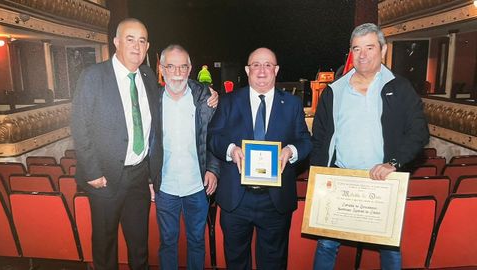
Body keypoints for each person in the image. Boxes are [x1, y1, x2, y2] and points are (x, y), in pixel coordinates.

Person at [310, 23, 429, 270]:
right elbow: (320, 137)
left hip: (382, 183)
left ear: (383, 50)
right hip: (340, 181)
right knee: (326, 245)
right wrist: (320, 176)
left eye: (369, 47)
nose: (362, 54)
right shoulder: (334, 91)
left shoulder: (401, 87)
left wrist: (393, 163)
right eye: (357, 48)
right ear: (351, 52)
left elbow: (419, 132)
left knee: (389, 249)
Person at [208, 47, 312, 269]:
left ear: (276, 70)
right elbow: (213, 138)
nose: (262, 71)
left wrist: (291, 151)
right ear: (247, 70)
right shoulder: (228, 101)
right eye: (256, 65)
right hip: (237, 199)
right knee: (236, 261)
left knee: (273, 263)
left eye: (268, 65)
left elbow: (306, 141)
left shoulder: (292, 104)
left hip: (275, 200)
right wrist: (231, 150)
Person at [71, 18, 158, 269]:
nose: (137, 46)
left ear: (148, 46)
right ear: (117, 42)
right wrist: (93, 172)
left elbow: (155, 126)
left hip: (139, 178)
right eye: (130, 39)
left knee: (140, 246)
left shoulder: (148, 76)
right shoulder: (93, 76)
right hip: (105, 179)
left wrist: (208, 94)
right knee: (105, 246)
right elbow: (80, 126)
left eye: (142, 41)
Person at [152, 44, 220, 270]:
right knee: (168, 242)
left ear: (190, 68)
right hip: (165, 188)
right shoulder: (151, 101)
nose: (178, 73)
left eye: (183, 67)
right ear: (162, 69)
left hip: (197, 187)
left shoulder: (204, 99)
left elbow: (214, 138)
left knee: (197, 242)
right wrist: (148, 179)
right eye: (171, 67)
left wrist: (213, 169)